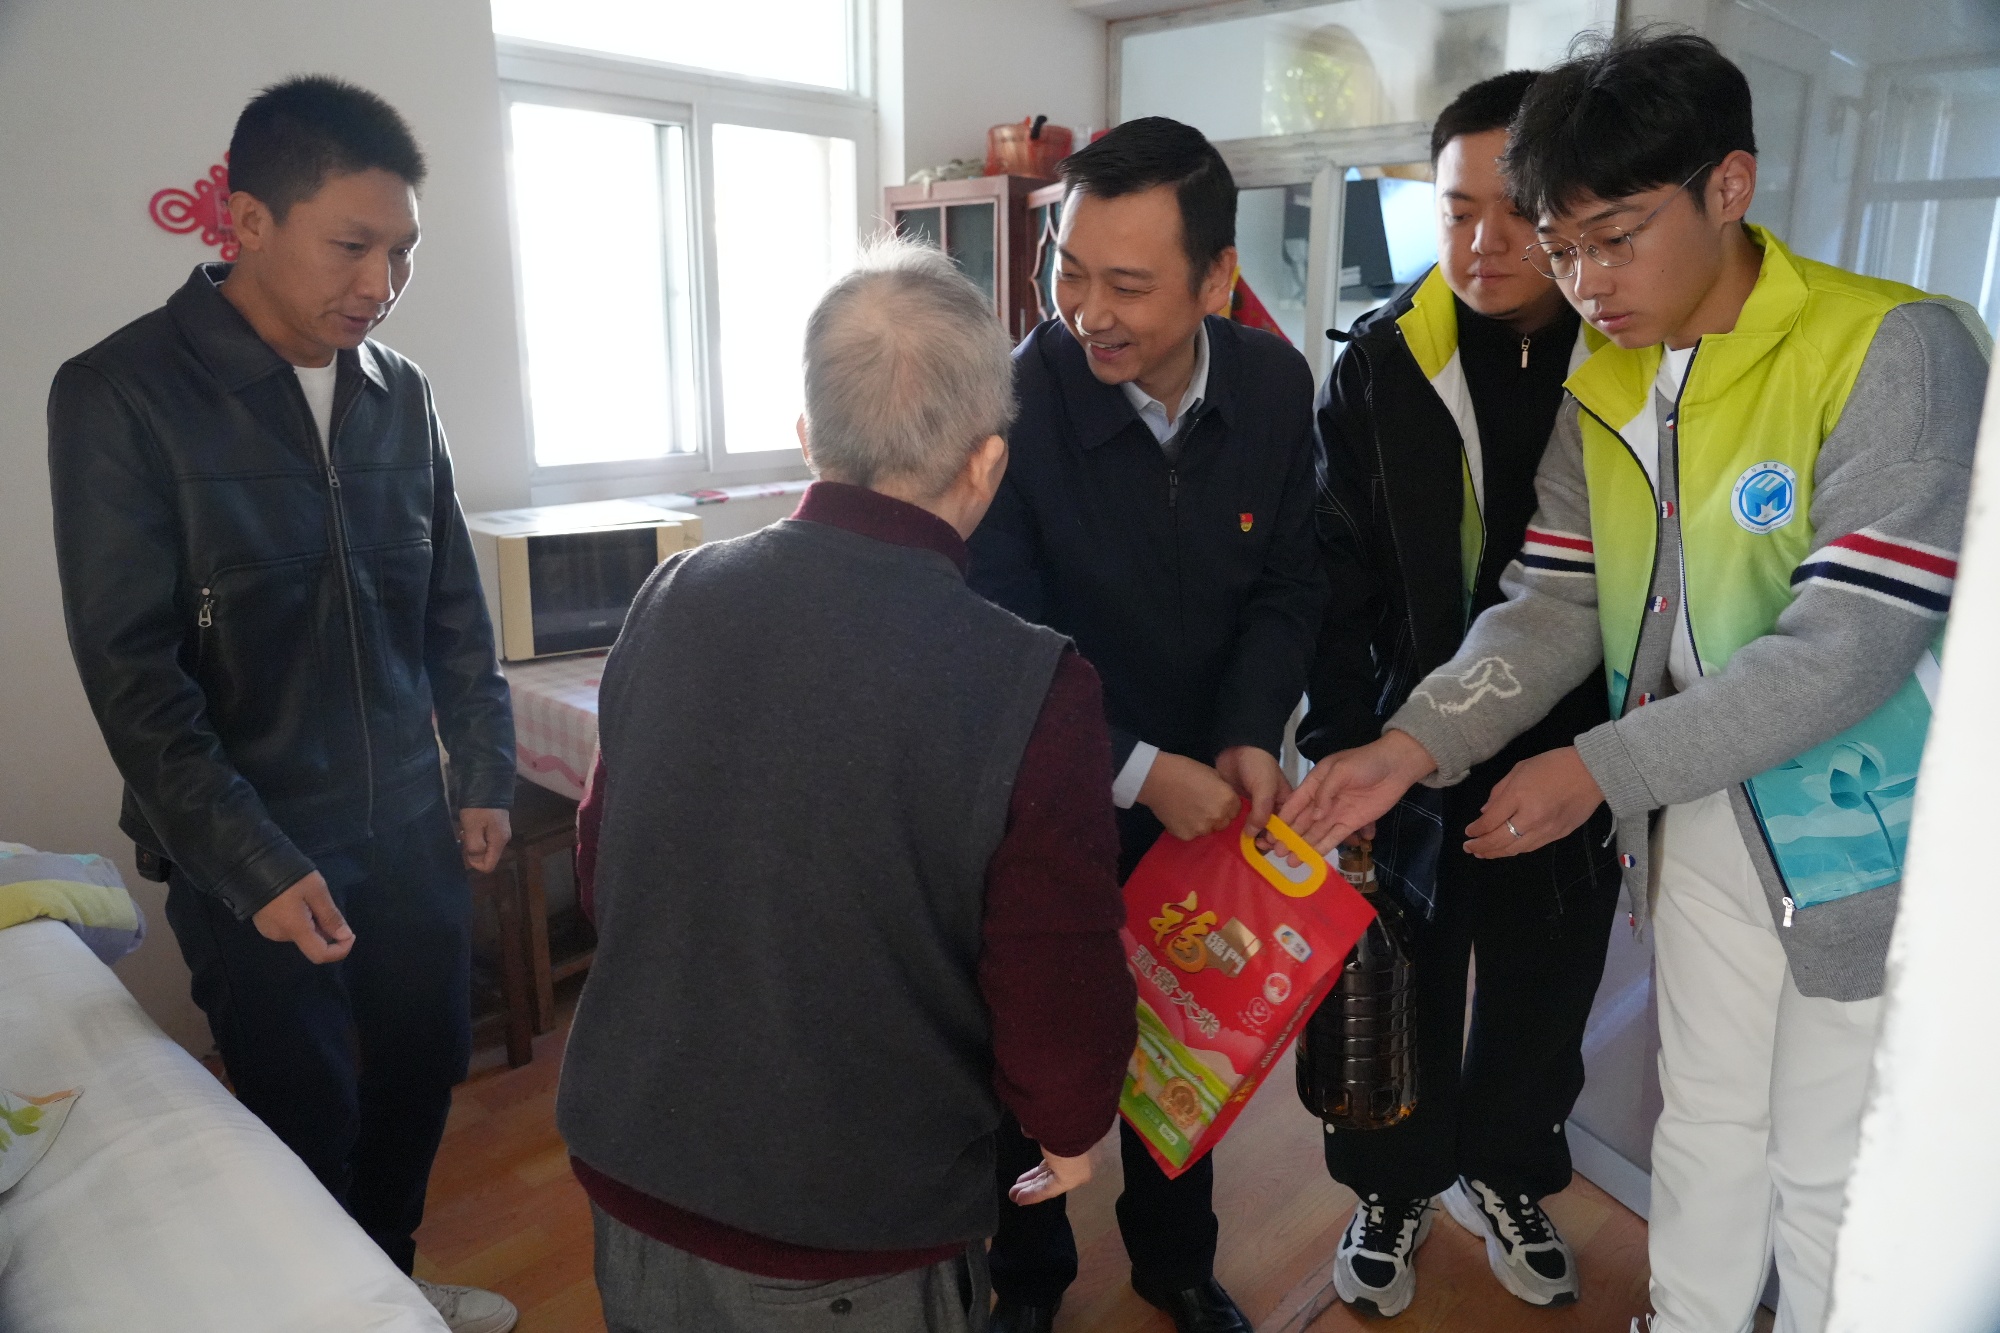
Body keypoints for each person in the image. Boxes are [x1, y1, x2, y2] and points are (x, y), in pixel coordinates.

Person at [1281, 32, 1988, 1333]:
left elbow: (1849, 644)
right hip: (1705, 810)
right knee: (1706, 1124)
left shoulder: (1894, 349)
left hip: (1871, 844)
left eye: (1613, 237)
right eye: (1564, 247)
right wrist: (1407, 746)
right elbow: (1553, 603)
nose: (1584, 282)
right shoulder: (1609, 380)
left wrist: (1596, 767)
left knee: (1829, 1169)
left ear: (1729, 186)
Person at [557, 237, 1137, 1333]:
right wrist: (1069, 1128)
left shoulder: (671, 593)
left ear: (807, 436)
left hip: (633, 1161)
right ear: (986, 464)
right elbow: (1053, 979)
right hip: (848, 1223)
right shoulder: (1030, 682)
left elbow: (603, 868)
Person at [47, 77, 520, 1333]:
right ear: (248, 222)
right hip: (248, 845)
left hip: (404, 824)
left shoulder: (398, 389)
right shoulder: (120, 393)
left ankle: (387, 1282)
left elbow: (453, 605)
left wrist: (480, 768)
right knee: (300, 1110)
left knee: (421, 1071)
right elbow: (132, 674)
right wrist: (253, 863)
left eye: (402, 251)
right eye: (351, 245)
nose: (381, 283)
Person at [968, 116, 1325, 1333]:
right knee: (1034, 1053)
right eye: (1068, 271)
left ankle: (1173, 1262)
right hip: (1054, 789)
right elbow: (1000, 627)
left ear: (1217, 278)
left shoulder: (1273, 387)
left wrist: (1246, 731)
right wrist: (1134, 768)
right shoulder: (1012, 400)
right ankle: (1025, 1277)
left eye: (1127, 284)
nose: (1087, 312)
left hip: (1207, 794)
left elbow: (1288, 583)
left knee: (1187, 1043)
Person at [1298, 70, 1623, 1318]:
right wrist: (1344, 744)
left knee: (1544, 981)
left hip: (1571, 746)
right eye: (1453, 210)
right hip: (1402, 736)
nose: (1482, 241)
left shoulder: (1627, 353)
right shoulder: (1381, 359)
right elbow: (1331, 578)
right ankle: (1389, 1184)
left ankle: (1508, 1170)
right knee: (1394, 983)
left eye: (1514, 211)